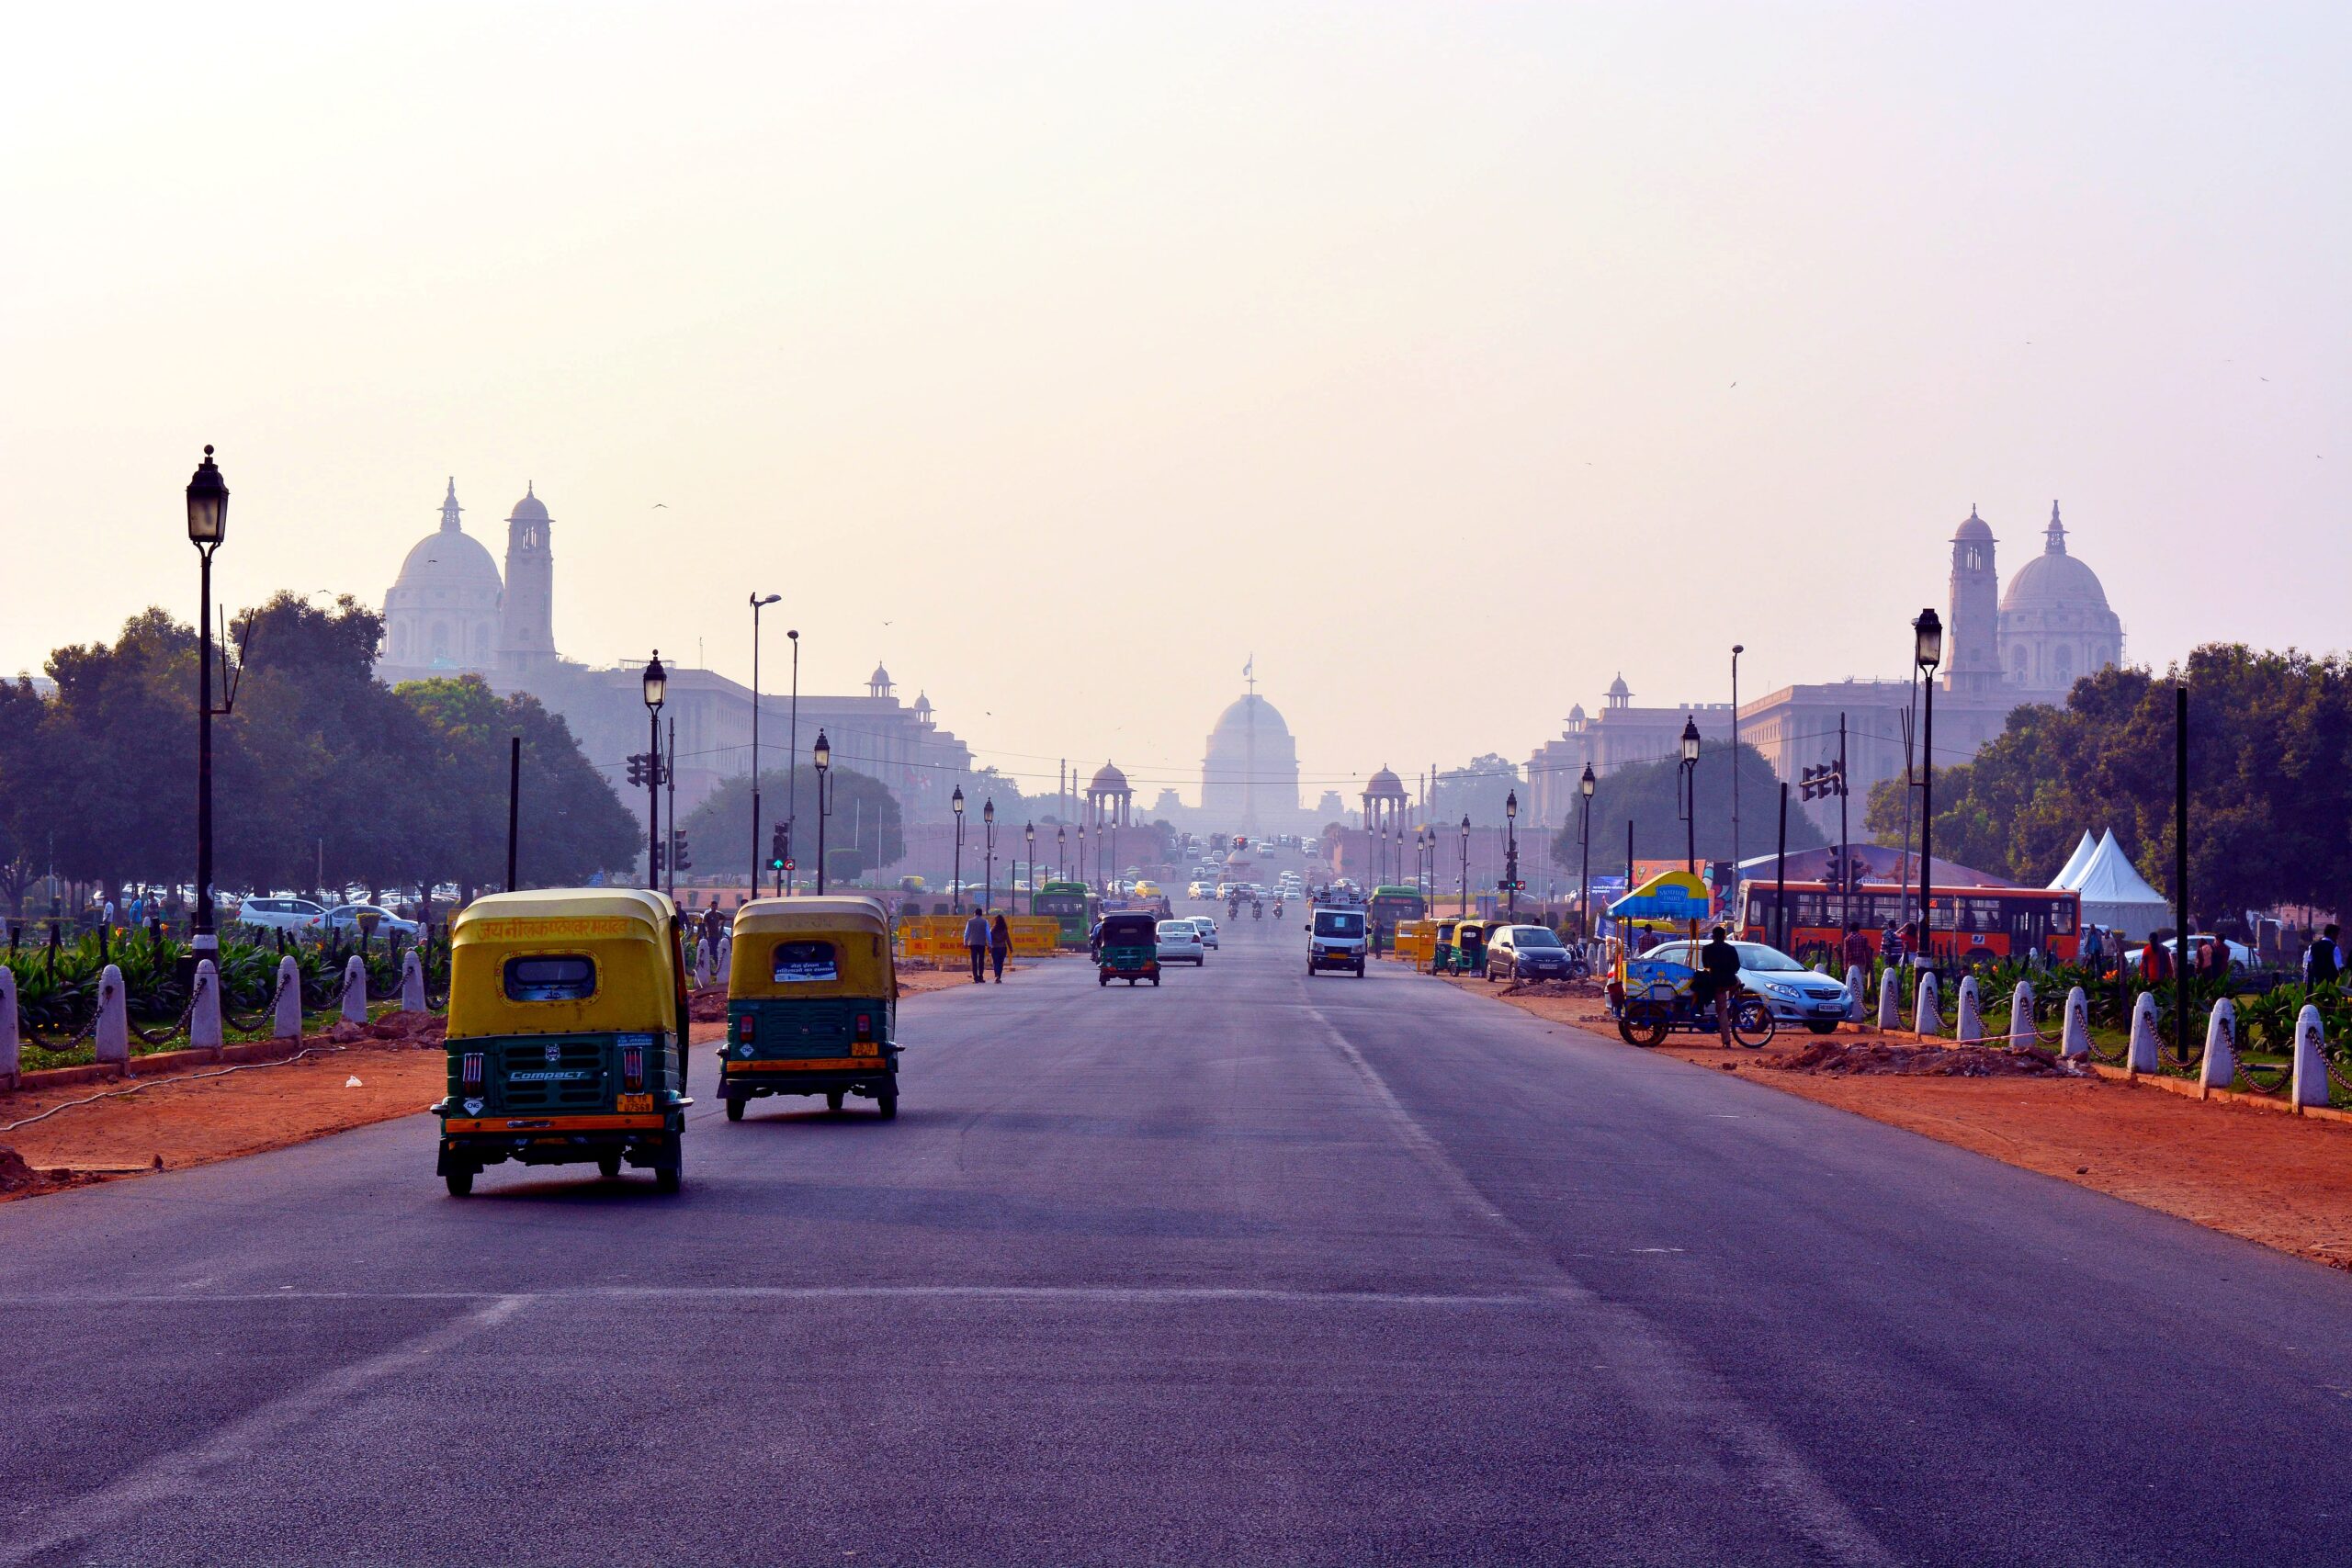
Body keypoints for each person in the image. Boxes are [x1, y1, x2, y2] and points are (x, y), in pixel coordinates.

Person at [1698, 925, 1743, 1045]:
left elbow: (1705, 964)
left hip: (1716, 984)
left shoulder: (1707, 949)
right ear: (1724, 937)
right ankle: (1734, 1004)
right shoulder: (1731, 949)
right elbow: (1737, 966)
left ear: (1713, 936)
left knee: (1721, 1011)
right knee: (1738, 982)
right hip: (1731, 982)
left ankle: (1726, 1040)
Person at [2306, 924, 2343, 988]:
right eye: (2337, 934)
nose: (2337, 937)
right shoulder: (2334, 948)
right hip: (2331, 986)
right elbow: (2339, 967)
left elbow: (2309, 966)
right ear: (2332, 934)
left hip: (2317, 985)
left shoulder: (2313, 947)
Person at [963, 907, 989, 984]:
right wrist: (990, 944)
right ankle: (981, 976)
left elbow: (966, 933)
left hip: (972, 943)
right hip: (981, 943)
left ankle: (975, 978)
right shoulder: (985, 922)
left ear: (974, 914)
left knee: (974, 961)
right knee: (981, 960)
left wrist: (965, 942)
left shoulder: (970, 921)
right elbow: (988, 934)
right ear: (981, 914)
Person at [988, 913, 1011, 983]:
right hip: (1003, 948)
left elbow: (990, 939)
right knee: (1001, 962)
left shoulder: (993, 930)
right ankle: (999, 976)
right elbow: (1008, 939)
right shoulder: (1004, 930)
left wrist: (989, 947)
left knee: (996, 962)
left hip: (995, 948)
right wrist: (1011, 948)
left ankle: (996, 975)